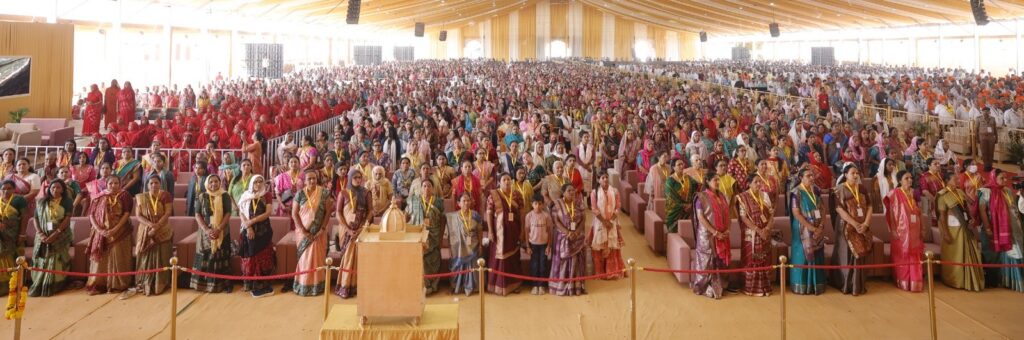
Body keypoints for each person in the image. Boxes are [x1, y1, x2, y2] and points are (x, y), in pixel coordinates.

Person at [121, 176, 173, 298]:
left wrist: (157, 226)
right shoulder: (141, 197)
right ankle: (144, 281)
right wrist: (151, 225)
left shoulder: (165, 195)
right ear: (147, 185)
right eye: (151, 183)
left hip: (163, 229)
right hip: (145, 229)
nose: (154, 185)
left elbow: (168, 212)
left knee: (162, 255)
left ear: (160, 184)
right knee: (144, 254)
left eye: (156, 183)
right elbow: (138, 216)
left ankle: (161, 283)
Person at [936, 171, 985, 291]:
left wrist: (972, 219)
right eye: (955, 179)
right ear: (947, 180)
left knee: (969, 252)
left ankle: (970, 280)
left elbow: (967, 208)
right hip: (953, 230)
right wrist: (945, 233)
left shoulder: (960, 191)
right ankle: (955, 280)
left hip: (966, 228)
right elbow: (942, 217)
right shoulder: (942, 195)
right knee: (956, 255)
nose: (958, 181)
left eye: (958, 179)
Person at [85, 175, 133, 295]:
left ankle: (117, 285)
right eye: (111, 183)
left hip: (120, 232)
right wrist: (99, 230)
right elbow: (91, 215)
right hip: (101, 232)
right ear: (106, 184)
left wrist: (115, 229)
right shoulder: (99, 197)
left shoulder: (124, 195)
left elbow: (126, 213)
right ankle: (99, 284)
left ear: (120, 184)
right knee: (101, 258)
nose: (113, 186)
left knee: (118, 256)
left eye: (116, 183)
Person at [979, 170, 1024, 292]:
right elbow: (982, 210)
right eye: (1002, 178)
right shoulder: (986, 192)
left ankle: (1009, 281)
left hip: (1012, 228)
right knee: (992, 256)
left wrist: (1019, 224)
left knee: (1014, 253)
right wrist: (988, 228)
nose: (1005, 180)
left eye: (1005, 178)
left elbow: (1014, 208)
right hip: (993, 229)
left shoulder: (1008, 191)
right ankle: (992, 281)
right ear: (994, 178)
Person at [831, 163, 873, 296]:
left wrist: (865, 224)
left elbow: (870, 207)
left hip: (862, 226)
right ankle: (846, 284)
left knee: (860, 254)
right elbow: (839, 210)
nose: (855, 175)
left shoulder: (862, 189)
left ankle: (859, 283)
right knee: (846, 254)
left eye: (857, 173)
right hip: (846, 227)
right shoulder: (839, 190)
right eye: (852, 173)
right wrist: (855, 224)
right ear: (845, 175)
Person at [28, 180, 73, 297]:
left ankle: (55, 285)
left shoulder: (67, 201)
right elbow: (36, 219)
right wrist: (40, 233)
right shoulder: (42, 201)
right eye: (53, 187)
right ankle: (39, 284)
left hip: (61, 235)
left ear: (63, 189)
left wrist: (56, 233)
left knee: (56, 259)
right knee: (41, 259)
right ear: (49, 189)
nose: (55, 190)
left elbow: (67, 219)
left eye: (58, 188)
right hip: (42, 235)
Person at [293, 170, 333, 296]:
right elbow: (294, 214)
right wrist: (304, 231)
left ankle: (318, 286)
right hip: (303, 233)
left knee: (318, 259)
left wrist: (321, 229)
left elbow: (328, 212)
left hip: (319, 234)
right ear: (304, 181)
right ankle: (303, 285)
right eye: (309, 179)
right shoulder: (300, 194)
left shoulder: (324, 193)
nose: (312, 181)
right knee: (304, 260)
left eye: (314, 178)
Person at [191, 175, 234, 293]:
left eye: (216, 181)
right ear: (207, 184)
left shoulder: (224, 195)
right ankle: (203, 285)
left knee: (220, 255)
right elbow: (197, 214)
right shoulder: (201, 196)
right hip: (205, 230)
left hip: (222, 230)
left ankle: (223, 284)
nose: (213, 184)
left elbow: (228, 213)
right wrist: (206, 229)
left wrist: (219, 229)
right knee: (206, 255)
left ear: (220, 183)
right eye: (211, 182)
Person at [884, 170, 925, 292]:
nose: (910, 180)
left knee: (915, 256)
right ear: (900, 180)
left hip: (915, 230)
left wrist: (922, 228)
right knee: (902, 256)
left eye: (911, 178)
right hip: (901, 231)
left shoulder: (913, 193)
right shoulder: (894, 193)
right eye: (907, 178)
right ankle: (904, 282)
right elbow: (891, 213)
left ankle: (915, 283)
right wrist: (893, 229)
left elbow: (918, 211)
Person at [691, 171, 731, 299]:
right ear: (707, 182)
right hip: (707, 235)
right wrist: (714, 232)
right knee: (707, 261)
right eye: (715, 180)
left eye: (719, 180)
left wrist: (728, 229)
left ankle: (718, 286)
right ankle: (703, 286)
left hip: (722, 234)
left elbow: (728, 214)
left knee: (719, 261)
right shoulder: (701, 197)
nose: (718, 182)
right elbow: (701, 217)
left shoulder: (723, 196)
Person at [485, 173, 524, 295]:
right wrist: (490, 231)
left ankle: (514, 284)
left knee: (513, 258)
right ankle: (496, 285)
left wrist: (522, 231)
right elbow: (489, 214)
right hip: (498, 233)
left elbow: (522, 214)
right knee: (498, 258)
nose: (507, 182)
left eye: (508, 179)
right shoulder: (493, 195)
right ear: (499, 182)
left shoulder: (517, 194)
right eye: (504, 180)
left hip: (514, 232)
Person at [789, 168, 827, 295]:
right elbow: (796, 213)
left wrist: (821, 225)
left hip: (817, 227)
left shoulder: (816, 190)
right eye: (808, 175)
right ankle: (802, 284)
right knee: (803, 256)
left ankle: (817, 284)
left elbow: (822, 208)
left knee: (818, 255)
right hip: (801, 228)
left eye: (812, 175)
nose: (812, 178)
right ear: (801, 178)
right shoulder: (796, 192)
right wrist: (810, 228)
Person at [334, 171, 371, 298]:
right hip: (346, 230)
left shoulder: (366, 192)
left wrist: (363, 226)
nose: (358, 180)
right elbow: (338, 213)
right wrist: (348, 229)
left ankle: (359, 286)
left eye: (360, 177)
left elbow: (371, 211)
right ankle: (345, 285)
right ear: (349, 178)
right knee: (348, 257)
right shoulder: (343, 193)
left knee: (360, 257)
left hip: (362, 230)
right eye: (355, 177)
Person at [736, 175, 774, 297]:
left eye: (760, 182)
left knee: (764, 258)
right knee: (751, 259)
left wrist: (767, 228)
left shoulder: (765, 196)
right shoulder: (743, 197)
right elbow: (743, 217)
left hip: (765, 233)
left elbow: (771, 214)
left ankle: (765, 286)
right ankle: (750, 287)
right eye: (756, 182)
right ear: (749, 184)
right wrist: (758, 230)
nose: (759, 184)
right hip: (751, 234)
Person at [238, 175, 275, 297]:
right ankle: (249, 284)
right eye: (255, 182)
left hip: (263, 231)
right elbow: (241, 212)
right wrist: (248, 227)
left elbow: (268, 212)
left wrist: (251, 222)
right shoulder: (245, 195)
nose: (258, 184)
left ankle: (262, 284)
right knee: (249, 256)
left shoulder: (267, 195)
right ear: (251, 184)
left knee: (263, 256)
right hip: (248, 230)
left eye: (260, 182)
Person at [406, 179, 445, 294]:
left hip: (434, 234)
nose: (426, 188)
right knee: (420, 259)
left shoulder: (438, 202)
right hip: (419, 234)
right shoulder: (415, 201)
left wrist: (441, 237)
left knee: (434, 259)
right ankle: (420, 284)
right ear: (421, 188)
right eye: (424, 186)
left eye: (429, 186)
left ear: (432, 188)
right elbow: (407, 215)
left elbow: (443, 220)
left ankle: (432, 285)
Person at [549, 184, 587, 296]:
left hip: (577, 236)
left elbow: (584, 219)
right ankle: (562, 287)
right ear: (563, 192)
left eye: (573, 190)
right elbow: (556, 221)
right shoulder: (558, 204)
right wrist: (568, 232)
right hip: (563, 237)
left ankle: (576, 287)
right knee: (564, 262)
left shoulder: (579, 202)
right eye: (569, 190)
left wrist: (576, 232)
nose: (572, 192)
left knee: (577, 261)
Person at [588, 173, 624, 280]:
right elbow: (594, 209)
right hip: (600, 222)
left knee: (612, 246)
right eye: (602, 177)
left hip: (612, 222)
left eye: (607, 177)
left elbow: (618, 207)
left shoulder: (615, 191)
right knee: (599, 246)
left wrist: (611, 220)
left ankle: (611, 272)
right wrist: (604, 222)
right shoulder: (594, 192)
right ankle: (600, 272)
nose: (605, 179)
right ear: (598, 180)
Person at [446, 193, 483, 296]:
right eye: (464, 201)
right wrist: (451, 249)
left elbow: (480, 230)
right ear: (459, 203)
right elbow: (451, 235)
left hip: (474, 245)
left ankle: (473, 287)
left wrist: (480, 245)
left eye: (468, 200)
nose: (466, 203)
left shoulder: (475, 215)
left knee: (473, 265)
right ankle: (458, 286)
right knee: (459, 265)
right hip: (459, 248)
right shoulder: (454, 217)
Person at [664, 159, 695, 233]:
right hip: (675, 211)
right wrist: (684, 206)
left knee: (689, 232)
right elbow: (670, 198)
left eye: (682, 164)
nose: (682, 166)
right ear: (673, 167)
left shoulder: (688, 178)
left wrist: (692, 204)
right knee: (675, 233)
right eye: (679, 165)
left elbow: (697, 188)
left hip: (689, 208)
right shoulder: (670, 181)